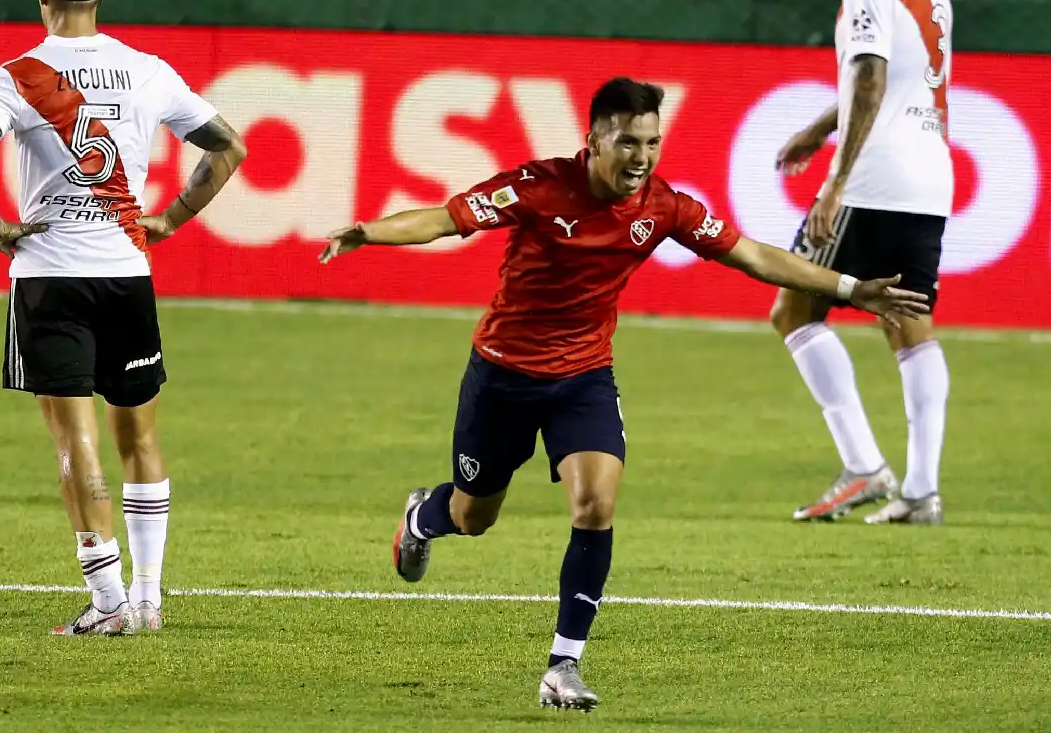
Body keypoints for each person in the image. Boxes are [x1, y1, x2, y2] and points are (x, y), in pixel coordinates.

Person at [320, 77, 928, 710]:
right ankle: (423, 517)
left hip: (582, 377)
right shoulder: (537, 186)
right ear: (593, 142)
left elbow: (752, 255)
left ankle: (563, 666)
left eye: (653, 142)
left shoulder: (664, 207)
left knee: (594, 504)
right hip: (502, 374)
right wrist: (371, 230)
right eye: (627, 142)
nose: (641, 157)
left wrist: (852, 289)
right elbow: (446, 219)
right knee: (473, 517)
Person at [0, 0, 247, 635]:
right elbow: (228, 146)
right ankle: (150, 599)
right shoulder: (145, 70)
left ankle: (108, 602)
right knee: (139, 435)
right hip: (124, 274)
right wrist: (170, 218)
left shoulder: (18, 75)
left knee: (74, 442)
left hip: (50, 276)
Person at [771, 0, 954, 525]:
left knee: (793, 313)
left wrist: (836, 180)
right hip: (929, 173)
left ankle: (863, 467)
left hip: (874, 178)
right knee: (907, 324)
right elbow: (895, 80)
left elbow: (872, 79)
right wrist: (820, 128)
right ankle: (921, 491)